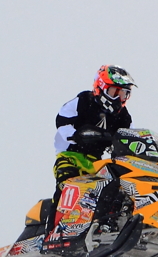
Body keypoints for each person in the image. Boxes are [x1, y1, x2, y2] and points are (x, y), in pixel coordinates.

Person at [53, 65, 136, 203]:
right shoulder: (85, 100)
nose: (118, 99)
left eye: (123, 94)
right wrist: (76, 135)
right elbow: (62, 118)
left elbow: (130, 137)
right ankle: (52, 223)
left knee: (114, 193)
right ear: (102, 87)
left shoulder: (123, 116)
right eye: (115, 92)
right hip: (70, 157)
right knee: (65, 189)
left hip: (97, 164)